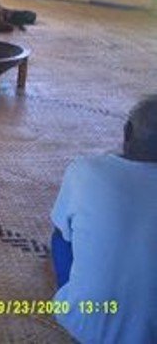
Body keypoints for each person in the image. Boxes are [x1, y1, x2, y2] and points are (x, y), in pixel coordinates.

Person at [50, 96, 157, 343]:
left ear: (127, 132)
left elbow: (62, 232)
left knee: (61, 236)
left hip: (86, 324)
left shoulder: (84, 170)